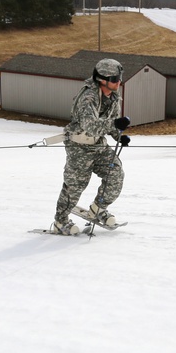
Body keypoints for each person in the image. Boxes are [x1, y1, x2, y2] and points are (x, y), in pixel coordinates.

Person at [51, 58, 131, 235]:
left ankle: (98, 208)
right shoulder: (88, 98)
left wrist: (120, 136)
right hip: (79, 146)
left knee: (116, 175)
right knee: (75, 185)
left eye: (119, 78)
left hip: (98, 146)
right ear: (102, 79)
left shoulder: (113, 97)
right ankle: (60, 222)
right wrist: (115, 124)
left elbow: (113, 123)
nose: (118, 82)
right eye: (114, 79)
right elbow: (91, 126)